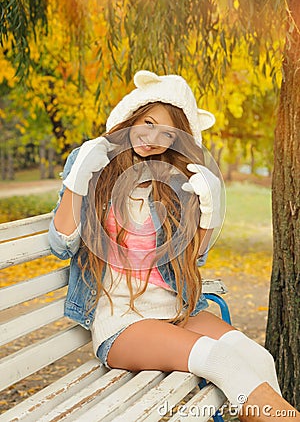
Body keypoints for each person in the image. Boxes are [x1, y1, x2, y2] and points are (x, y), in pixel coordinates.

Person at [49, 70, 299, 421]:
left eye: (167, 134)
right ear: (131, 116)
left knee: (259, 359)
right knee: (223, 363)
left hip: (175, 311)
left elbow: (193, 256)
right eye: (148, 123)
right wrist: (78, 182)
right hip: (121, 323)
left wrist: (210, 216)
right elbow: (61, 244)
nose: (152, 138)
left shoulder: (171, 183)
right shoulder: (93, 162)